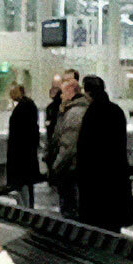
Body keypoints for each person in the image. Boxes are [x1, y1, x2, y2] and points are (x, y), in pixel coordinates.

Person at [77, 76, 133, 231]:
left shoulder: (92, 113)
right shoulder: (116, 110)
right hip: (115, 177)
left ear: (88, 92)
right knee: (113, 227)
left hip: (96, 180)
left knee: (96, 227)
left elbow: (85, 148)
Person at [49, 77, 88, 219]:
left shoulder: (74, 114)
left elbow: (68, 145)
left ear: (71, 92)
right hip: (73, 169)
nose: (61, 96)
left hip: (70, 170)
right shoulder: (71, 110)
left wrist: (56, 165)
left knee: (70, 212)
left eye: (63, 92)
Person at [6, 83, 41, 208]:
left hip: (21, 155)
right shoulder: (28, 106)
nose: (10, 94)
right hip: (27, 154)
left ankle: (27, 209)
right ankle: (29, 207)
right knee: (27, 185)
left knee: (23, 184)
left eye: (13, 91)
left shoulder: (23, 108)